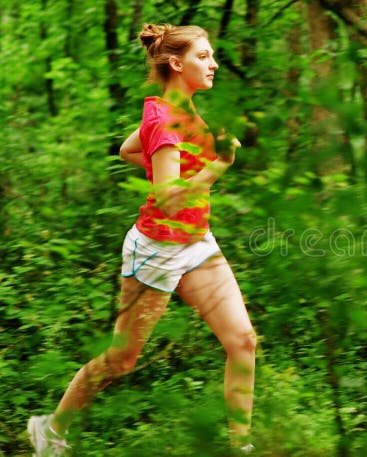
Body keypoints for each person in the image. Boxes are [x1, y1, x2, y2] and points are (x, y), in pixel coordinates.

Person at [27, 23, 257, 456]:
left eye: (211, 55)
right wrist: (219, 164)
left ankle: (240, 447)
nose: (214, 63)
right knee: (122, 360)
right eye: (203, 56)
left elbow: (128, 151)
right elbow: (169, 200)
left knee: (242, 341)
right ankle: (51, 428)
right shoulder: (168, 119)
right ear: (176, 62)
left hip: (197, 242)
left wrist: (190, 156)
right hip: (157, 250)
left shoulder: (171, 108)